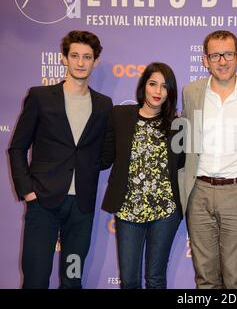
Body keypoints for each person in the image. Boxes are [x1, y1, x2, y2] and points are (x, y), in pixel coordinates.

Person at [8, 30, 112, 289]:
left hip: (81, 209)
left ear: (95, 61)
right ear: (64, 59)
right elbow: (17, 147)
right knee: (36, 278)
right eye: (74, 55)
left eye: (87, 57)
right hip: (43, 204)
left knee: (72, 278)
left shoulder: (103, 105)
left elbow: (106, 153)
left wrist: (87, 169)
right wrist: (28, 191)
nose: (80, 62)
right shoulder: (41, 97)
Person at [180, 30, 237, 288]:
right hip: (198, 192)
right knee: (205, 278)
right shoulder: (191, 92)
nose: (222, 61)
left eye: (228, 54)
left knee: (235, 279)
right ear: (205, 60)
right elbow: (185, 139)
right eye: (215, 55)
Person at [101, 62, 183, 289]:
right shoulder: (120, 115)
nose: (158, 91)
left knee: (156, 279)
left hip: (165, 211)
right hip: (128, 209)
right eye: (153, 84)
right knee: (129, 280)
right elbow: (105, 156)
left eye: (164, 86)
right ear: (143, 86)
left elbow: (184, 166)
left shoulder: (178, 125)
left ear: (170, 92)